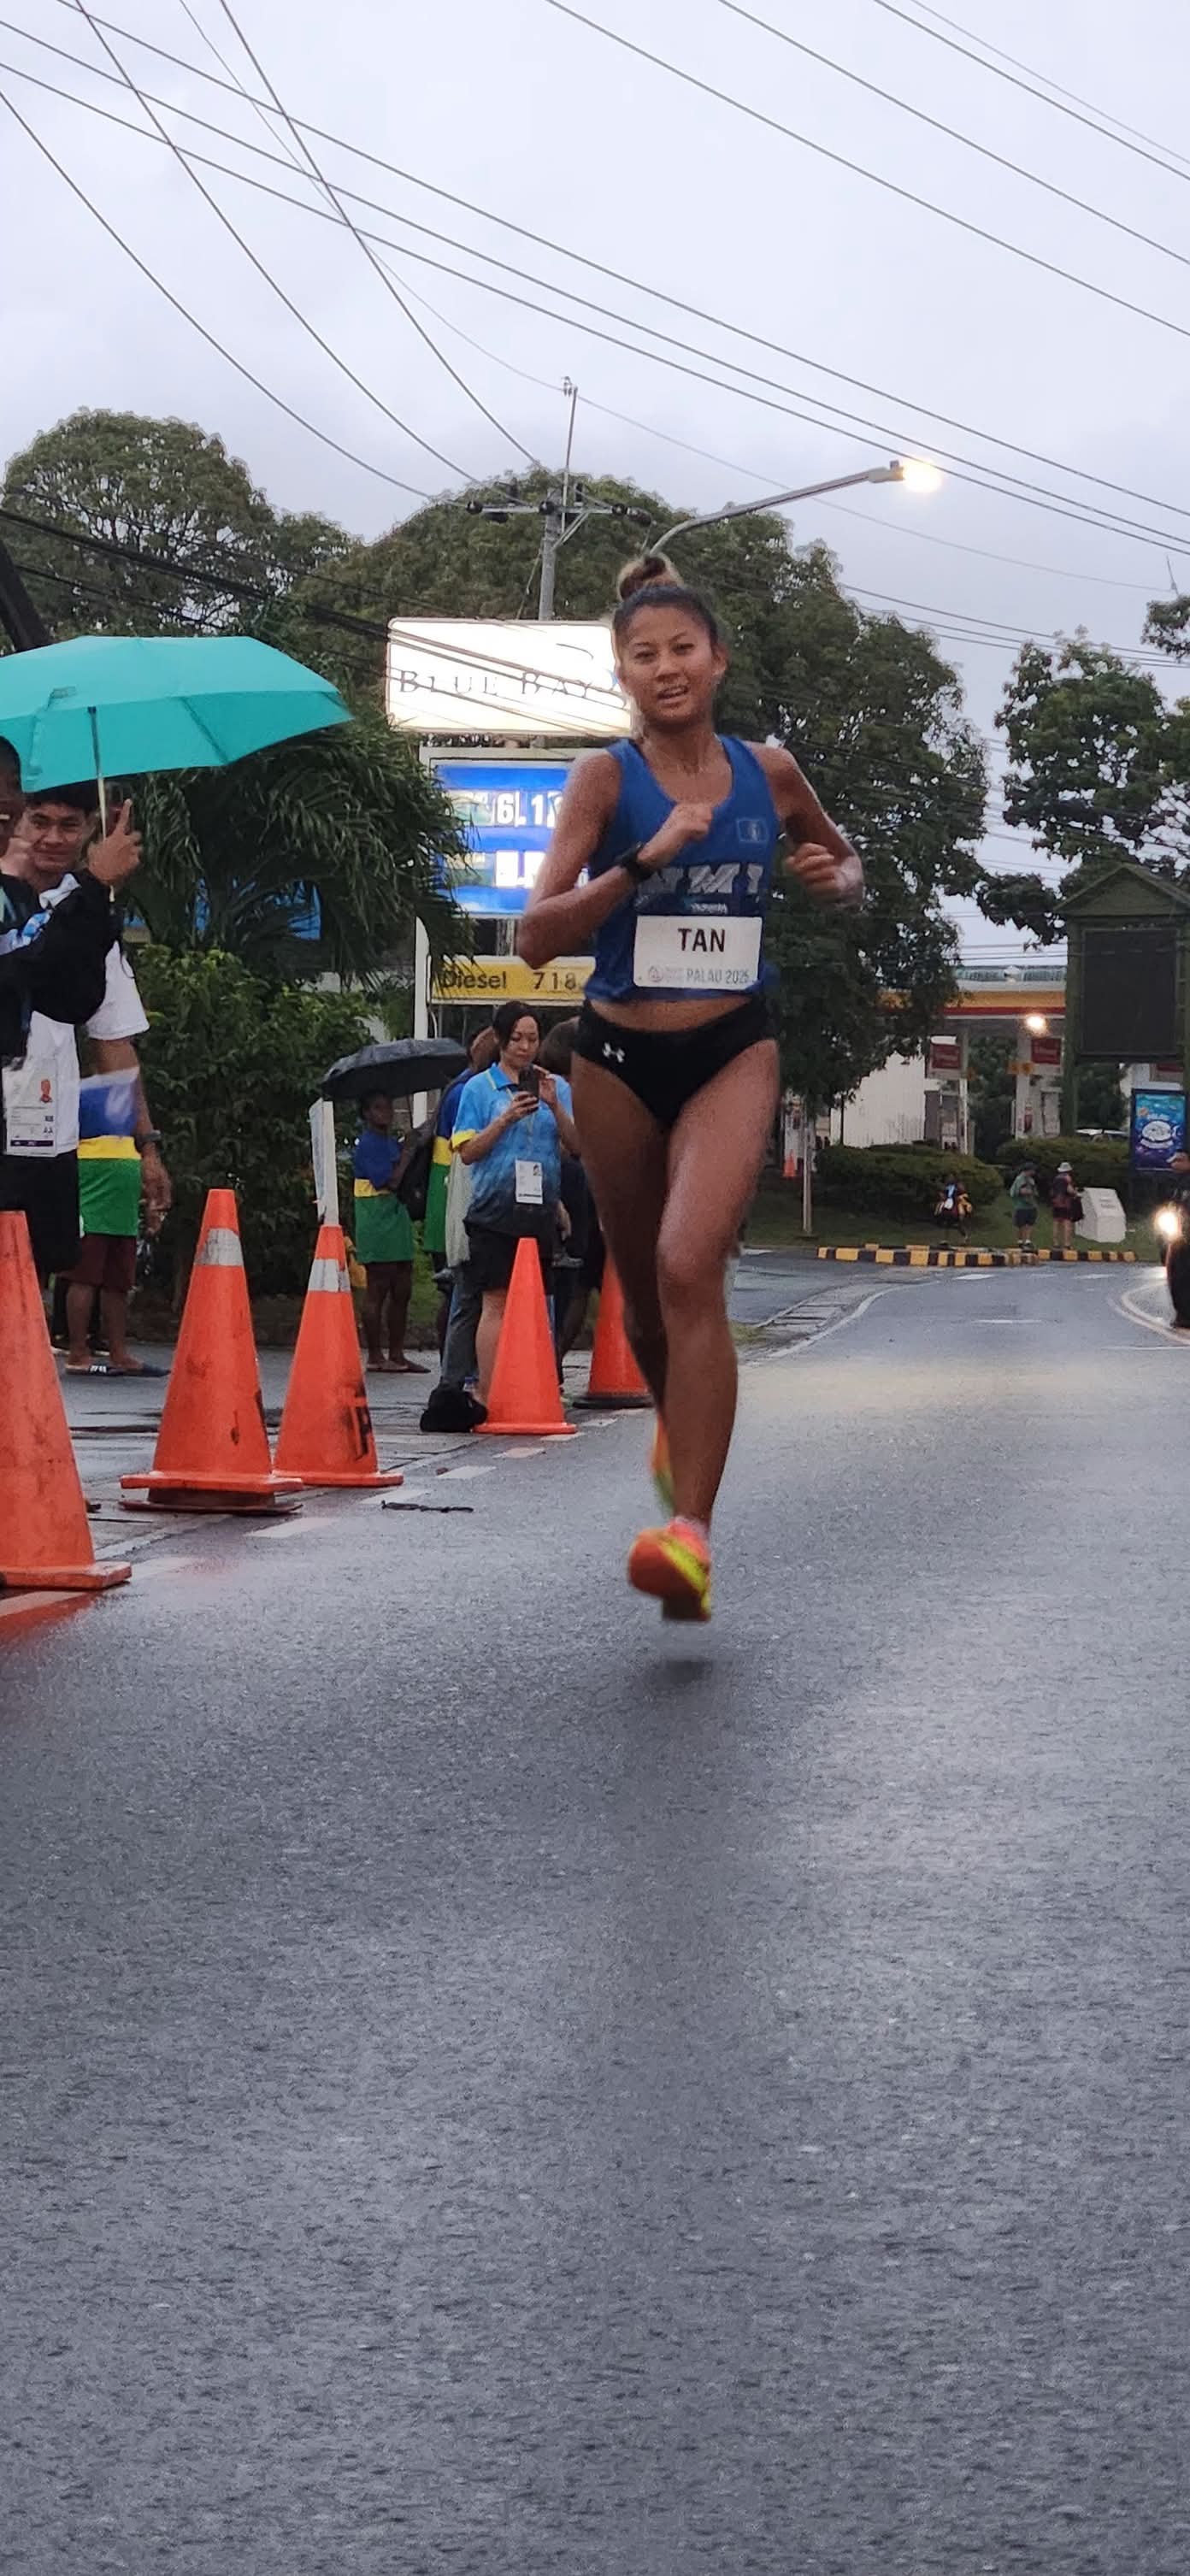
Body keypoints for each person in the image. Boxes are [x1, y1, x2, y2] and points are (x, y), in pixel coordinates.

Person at [519, 552, 861, 1623]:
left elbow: (844, 868)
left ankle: (690, 1533)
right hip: (616, 1053)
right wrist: (644, 863)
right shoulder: (607, 781)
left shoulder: (773, 769)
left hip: (731, 1046)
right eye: (643, 655)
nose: (666, 668)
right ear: (621, 672)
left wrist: (832, 877)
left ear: (717, 658)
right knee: (648, 1302)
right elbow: (534, 936)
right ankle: (685, 1447)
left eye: (682, 650)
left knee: (685, 1260)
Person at [1, 772, 162, 1283]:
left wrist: (146, 1148)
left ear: (92, 828)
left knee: (30, 1277)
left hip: (45, 1135)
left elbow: (112, 1042)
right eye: (39, 821)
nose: (52, 838)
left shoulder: (94, 923)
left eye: (69, 825)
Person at [451, 999, 578, 1404]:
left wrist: (555, 1106)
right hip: (494, 1210)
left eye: (532, 1039)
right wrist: (504, 1118)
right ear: (502, 1041)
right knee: (495, 1301)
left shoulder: (555, 1087)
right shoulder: (479, 1089)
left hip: (538, 1210)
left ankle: (531, 1387)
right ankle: (488, 1391)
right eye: (517, 1039)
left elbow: (575, 1147)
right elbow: (468, 1151)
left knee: (536, 1301)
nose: (525, 1048)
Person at [423, 1024, 498, 1353]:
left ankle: (456, 1367)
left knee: (461, 1292)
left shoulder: (460, 1087)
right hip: (456, 1196)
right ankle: (454, 1367)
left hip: (451, 1196)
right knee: (461, 1292)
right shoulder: (472, 1091)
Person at [538, 1015, 604, 1365]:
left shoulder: (572, 1089)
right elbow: (570, 1146)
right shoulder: (560, 1090)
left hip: (580, 1191)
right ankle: (553, 1362)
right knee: (570, 1281)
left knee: (576, 1281)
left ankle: (555, 1362)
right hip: (571, 1190)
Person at [351, 1092, 426, 1373]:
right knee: (378, 1286)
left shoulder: (388, 1143)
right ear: (367, 1113)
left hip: (397, 1217)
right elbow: (389, 1180)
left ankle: (397, 1353)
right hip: (377, 1217)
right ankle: (375, 1355)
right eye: (378, 1108)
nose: (386, 1113)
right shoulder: (369, 1145)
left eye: (388, 1107)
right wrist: (407, 1152)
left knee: (402, 1286)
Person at [1009, 1158, 1040, 1256]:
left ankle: (1027, 1240)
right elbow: (1021, 1191)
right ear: (1028, 1170)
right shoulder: (1020, 1179)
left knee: (1029, 1223)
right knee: (1020, 1224)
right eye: (1032, 1170)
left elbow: (1034, 1191)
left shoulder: (1031, 1180)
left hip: (1030, 1205)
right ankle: (1020, 1241)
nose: (1033, 1172)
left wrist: (1033, 1192)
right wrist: (1029, 1191)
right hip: (1021, 1205)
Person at [1050, 1159, 1082, 1254]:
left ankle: (1055, 1243)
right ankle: (1067, 1244)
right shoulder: (1067, 1178)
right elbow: (1070, 1190)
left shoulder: (1056, 1178)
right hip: (1065, 1203)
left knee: (1056, 1223)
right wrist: (1076, 1193)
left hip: (1056, 1203)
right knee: (1067, 1223)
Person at [934, 1171, 972, 1246]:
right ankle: (945, 1239)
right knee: (947, 1222)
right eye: (949, 1177)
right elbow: (943, 1192)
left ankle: (965, 1237)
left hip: (956, 1204)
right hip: (948, 1203)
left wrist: (960, 1198)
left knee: (958, 1223)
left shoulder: (958, 1187)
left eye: (951, 1177)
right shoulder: (947, 1187)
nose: (950, 1179)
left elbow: (964, 1195)